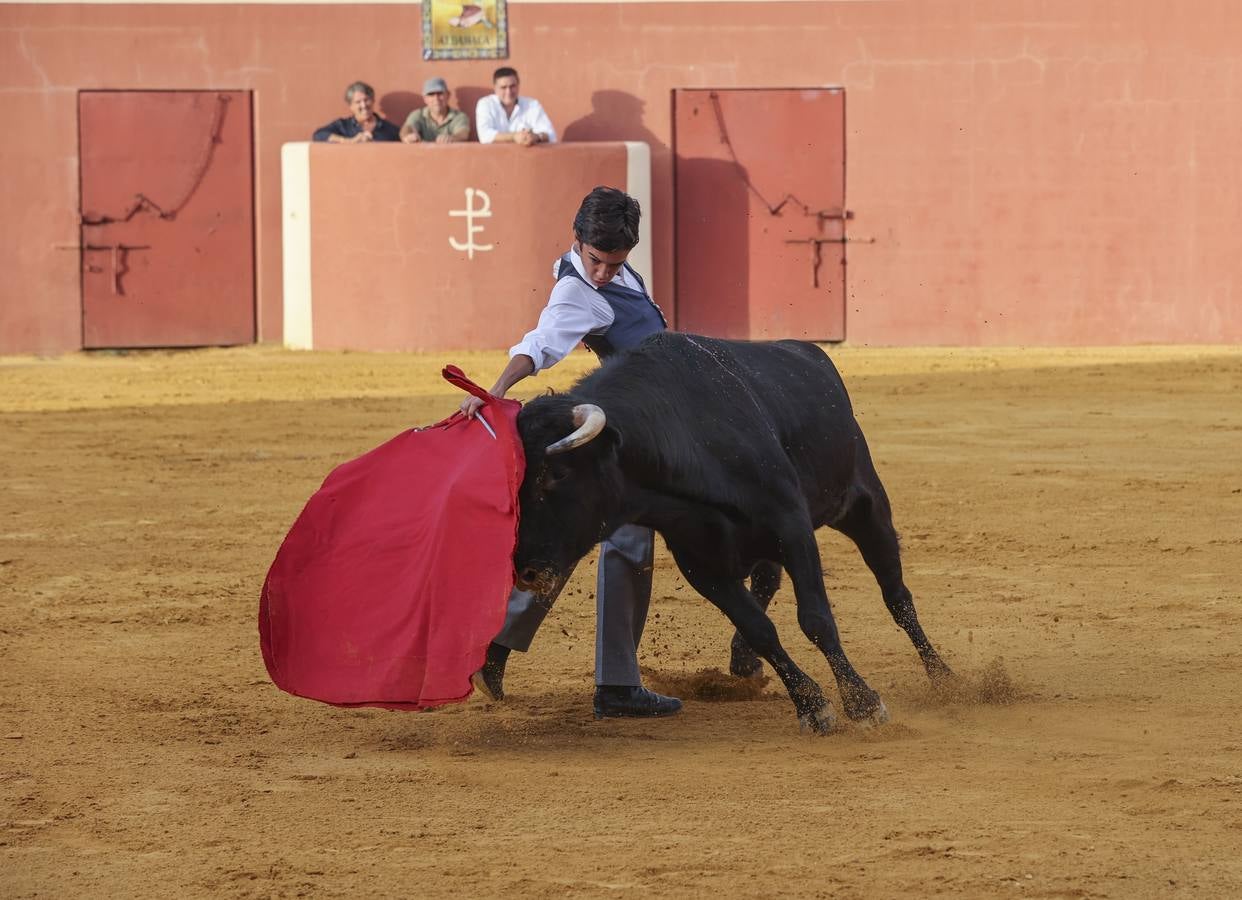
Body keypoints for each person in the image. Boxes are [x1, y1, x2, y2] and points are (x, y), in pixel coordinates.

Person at [462, 186, 680, 720]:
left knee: (576, 536)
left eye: (614, 263)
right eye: (595, 261)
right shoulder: (577, 291)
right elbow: (540, 343)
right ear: (576, 240)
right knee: (628, 543)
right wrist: (497, 390)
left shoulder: (608, 269)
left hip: (639, 422)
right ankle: (618, 685)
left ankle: (496, 647)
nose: (604, 273)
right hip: (626, 432)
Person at [474, 67, 557, 146]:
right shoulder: (485, 104)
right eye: (503, 87)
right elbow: (484, 136)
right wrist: (514, 136)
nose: (508, 91)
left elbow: (551, 135)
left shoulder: (532, 104)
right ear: (495, 88)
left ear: (518, 85)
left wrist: (536, 137)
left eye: (512, 86)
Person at [312, 81, 401, 143]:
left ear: (373, 101)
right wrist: (349, 141)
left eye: (366, 100)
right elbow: (319, 135)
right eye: (358, 102)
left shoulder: (389, 129)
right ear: (351, 106)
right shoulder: (343, 126)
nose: (363, 105)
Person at [400, 78, 471, 144]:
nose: (436, 98)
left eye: (440, 93)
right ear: (425, 99)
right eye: (431, 94)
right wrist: (408, 136)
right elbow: (407, 128)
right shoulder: (417, 114)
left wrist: (452, 138)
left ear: (448, 95)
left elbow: (463, 134)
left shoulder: (459, 116)